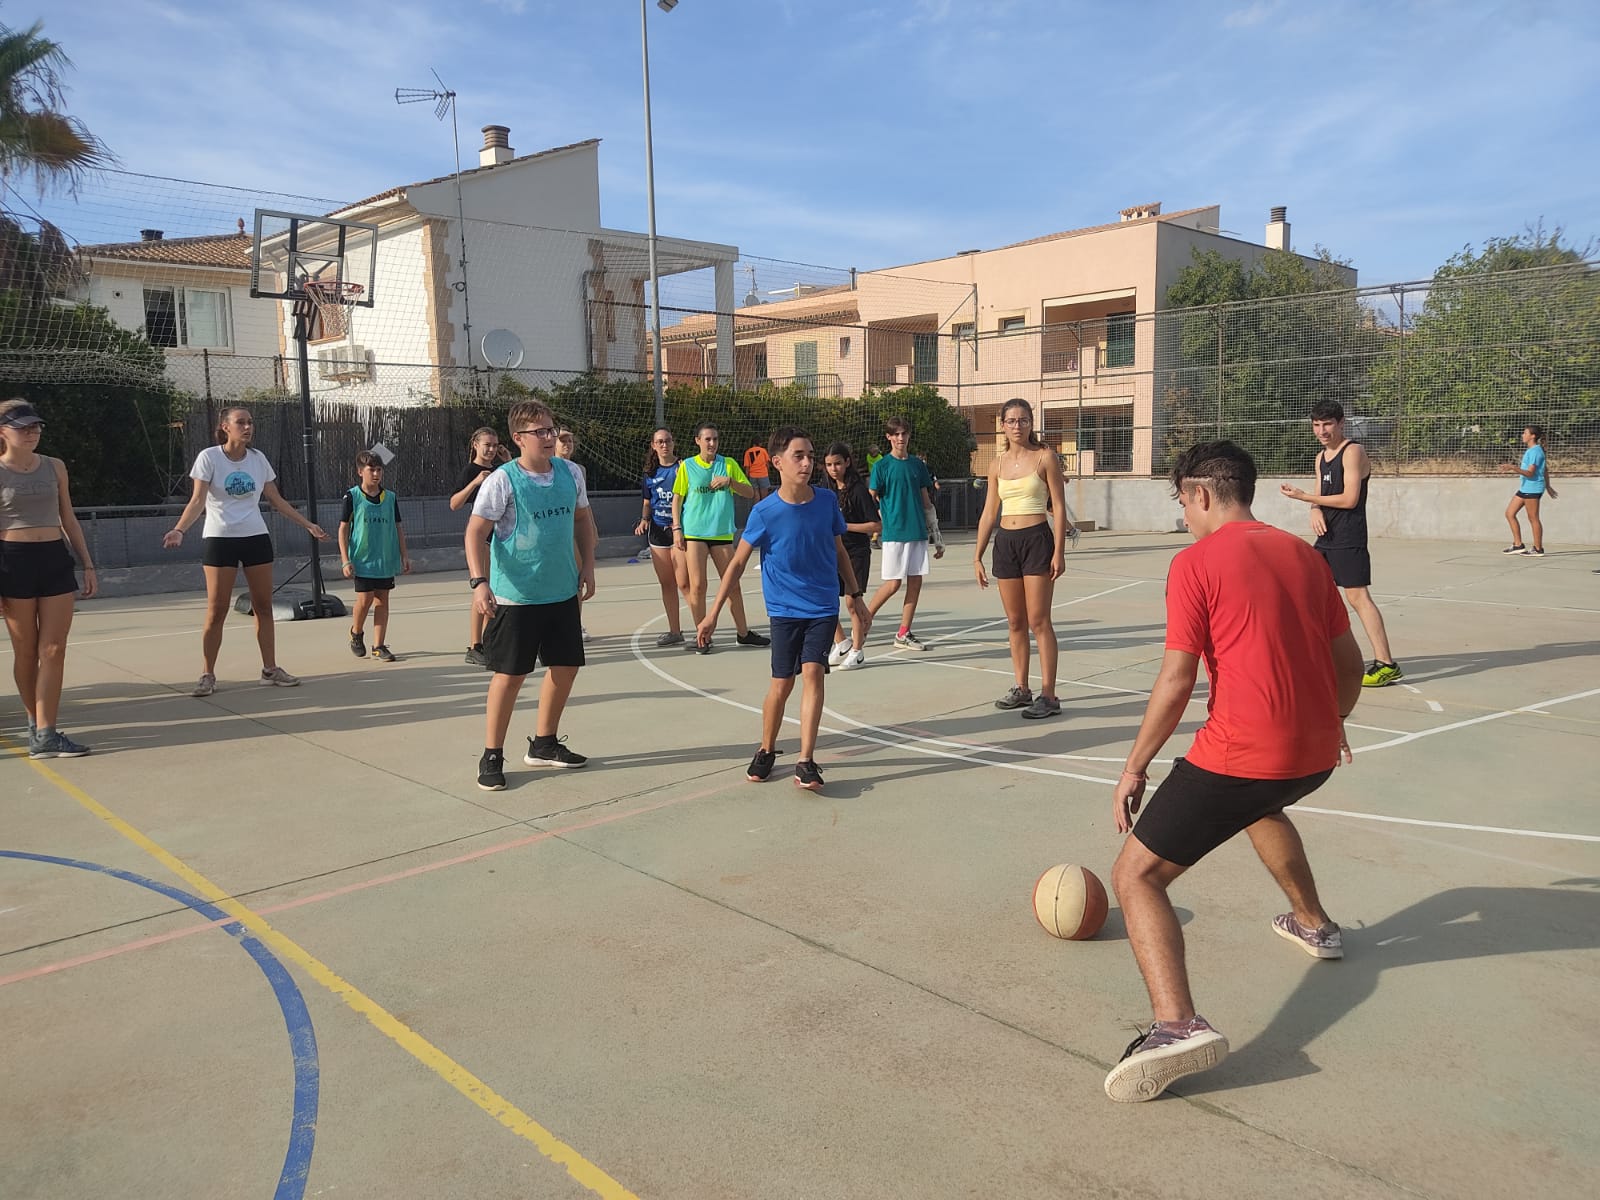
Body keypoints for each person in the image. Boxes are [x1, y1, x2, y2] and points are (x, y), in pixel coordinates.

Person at [1103, 440, 1363, 1103]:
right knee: (1260, 805)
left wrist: (1134, 767)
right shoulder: (1304, 556)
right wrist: (1333, 723)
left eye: (1180, 502)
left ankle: (1176, 1024)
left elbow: (1175, 680)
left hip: (1244, 752)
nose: (1183, 516)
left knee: (1136, 875)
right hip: (1313, 757)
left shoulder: (1195, 562)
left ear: (1199, 493)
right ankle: (1314, 923)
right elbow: (1350, 665)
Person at [697, 426, 868, 792]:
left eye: (810, 455)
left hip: (822, 606)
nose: (807, 463)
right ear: (777, 463)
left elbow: (839, 551)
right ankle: (767, 749)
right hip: (785, 610)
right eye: (798, 456)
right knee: (781, 685)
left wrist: (855, 594)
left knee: (813, 675)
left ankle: (806, 760)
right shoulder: (765, 511)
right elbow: (738, 564)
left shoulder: (825, 502)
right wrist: (712, 614)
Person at [465, 400, 596, 791]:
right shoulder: (502, 481)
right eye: (540, 432)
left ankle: (544, 743)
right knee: (510, 675)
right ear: (519, 438)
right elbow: (474, 534)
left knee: (565, 667)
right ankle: (491, 753)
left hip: (561, 592)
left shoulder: (570, 473)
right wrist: (479, 582)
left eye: (552, 429)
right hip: (516, 598)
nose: (549, 437)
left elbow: (582, 520)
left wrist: (588, 564)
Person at [162, 406, 328, 696]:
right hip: (220, 539)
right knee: (216, 610)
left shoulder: (258, 459)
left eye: (250, 422)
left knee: (263, 607)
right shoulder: (209, 458)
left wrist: (307, 524)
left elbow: (276, 499)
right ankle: (207, 674)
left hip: (255, 538)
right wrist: (179, 529)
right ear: (225, 427)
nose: (248, 427)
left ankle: (270, 669)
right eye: (241, 422)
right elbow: (198, 500)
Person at [1278, 399, 1402, 688]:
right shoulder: (1321, 457)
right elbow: (1321, 492)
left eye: (1327, 424)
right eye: (1317, 425)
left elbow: (1349, 499)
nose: (1322, 431)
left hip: (1349, 536)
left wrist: (1304, 497)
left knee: (1357, 598)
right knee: (1306, 591)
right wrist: (1314, 509)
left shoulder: (1353, 451)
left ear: (1341, 423)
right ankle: (1318, 657)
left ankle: (1386, 664)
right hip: (1327, 537)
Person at [0, 399, 97, 758]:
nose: (32, 432)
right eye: (23, 427)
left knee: (53, 649)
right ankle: (35, 722)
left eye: (36, 426)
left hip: (54, 558)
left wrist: (86, 563)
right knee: (26, 651)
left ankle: (47, 732)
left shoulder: (55, 467)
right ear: (3, 432)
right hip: (12, 562)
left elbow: (68, 517)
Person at [972, 399, 1077, 720]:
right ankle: (1022, 688)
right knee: (1015, 622)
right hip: (1006, 543)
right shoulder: (996, 463)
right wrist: (977, 555)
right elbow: (990, 512)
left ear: (1031, 423)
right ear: (1002, 425)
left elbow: (1058, 506)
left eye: (1023, 420)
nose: (1018, 426)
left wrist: (1058, 550)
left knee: (1039, 621)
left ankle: (1048, 694)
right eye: (1011, 421)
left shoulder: (1045, 458)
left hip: (1036, 541)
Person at [672, 421, 770, 654]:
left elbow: (749, 492)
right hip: (695, 532)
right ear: (698, 441)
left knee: (732, 584)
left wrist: (730, 482)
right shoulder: (687, 466)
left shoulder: (728, 464)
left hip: (722, 532)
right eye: (707, 439)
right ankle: (702, 636)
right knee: (698, 586)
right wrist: (677, 528)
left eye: (715, 439)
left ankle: (743, 633)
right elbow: (677, 498)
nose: (712, 443)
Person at [866, 415, 939, 650]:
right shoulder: (881, 466)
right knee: (893, 584)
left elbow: (926, 500)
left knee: (915, 582)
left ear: (908, 435)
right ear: (889, 437)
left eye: (904, 433)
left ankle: (904, 632)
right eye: (895, 434)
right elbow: (871, 498)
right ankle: (863, 621)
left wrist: (936, 534)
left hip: (917, 531)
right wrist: (880, 516)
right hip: (894, 533)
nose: (900, 438)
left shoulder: (918, 465)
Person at [338, 450, 411, 663]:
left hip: (385, 559)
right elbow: (343, 530)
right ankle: (356, 633)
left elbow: (398, 527)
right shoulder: (352, 496)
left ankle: (378, 646)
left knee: (382, 600)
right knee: (365, 599)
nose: (376, 474)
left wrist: (404, 555)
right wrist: (345, 560)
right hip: (362, 560)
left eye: (379, 470)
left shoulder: (390, 497)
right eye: (372, 470)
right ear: (360, 472)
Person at [450, 427, 508, 667]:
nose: (492, 450)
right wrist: (474, 482)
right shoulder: (471, 471)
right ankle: (475, 645)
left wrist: (509, 461)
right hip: (483, 538)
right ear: (475, 444)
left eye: (495, 445)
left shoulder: (501, 469)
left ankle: (489, 641)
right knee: (482, 589)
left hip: (501, 537)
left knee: (496, 591)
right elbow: (454, 503)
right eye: (487, 445)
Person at [822, 442, 879, 671]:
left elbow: (876, 525)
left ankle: (857, 650)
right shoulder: (825, 489)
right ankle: (841, 642)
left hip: (856, 552)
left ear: (847, 462)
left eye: (837, 463)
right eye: (828, 465)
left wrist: (844, 527)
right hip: (831, 551)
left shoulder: (858, 490)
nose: (833, 468)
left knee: (851, 601)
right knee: (826, 600)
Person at [635, 427, 692, 646]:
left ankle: (701, 630)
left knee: (684, 583)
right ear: (653, 445)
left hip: (679, 530)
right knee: (666, 583)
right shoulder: (650, 473)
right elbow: (647, 502)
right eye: (660, 442)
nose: (664, 445)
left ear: (673, 443)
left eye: (667, 441)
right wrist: (644, 519)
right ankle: (675, 631)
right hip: (658, 532)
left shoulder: (683, 467)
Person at [554, 428, 594, 642]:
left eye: (570, 440)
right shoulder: (544, 468)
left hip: (572, 532)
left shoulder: (578, 470)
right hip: (554, 533)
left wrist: (592, 530)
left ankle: (575, 624)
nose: (567, 443)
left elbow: (583, 507)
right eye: (563, 440)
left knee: (576, 579)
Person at [1499, 424, 1557, 556]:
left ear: (1533, 436)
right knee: (1509, 513)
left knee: (1533, 518)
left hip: (1533, 488)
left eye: (1525, 433)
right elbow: (1545, 469)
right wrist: (1548, 486)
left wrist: (1512, 467)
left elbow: (1530, 473)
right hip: (1525, 488)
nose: (1522, 435)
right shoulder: (1531, 451)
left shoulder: (1536, 451)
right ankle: (1518, 545)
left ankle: (1538, 549)